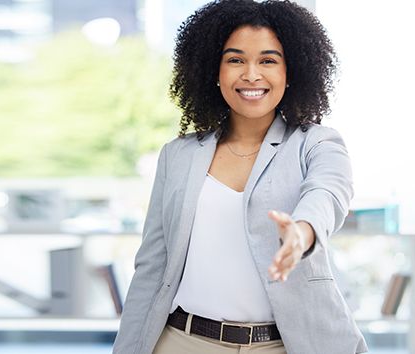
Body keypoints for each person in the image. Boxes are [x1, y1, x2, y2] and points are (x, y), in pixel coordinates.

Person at [113, 0, 368, 353]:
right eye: (235, 60)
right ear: (213, 72)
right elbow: (152, 267)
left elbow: (327, 195)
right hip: (182, 341)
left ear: (290, 72)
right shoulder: (178, 155)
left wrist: (301, 232)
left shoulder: (317, 143)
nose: (251, 74)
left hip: (282, 346)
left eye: (268, 60)